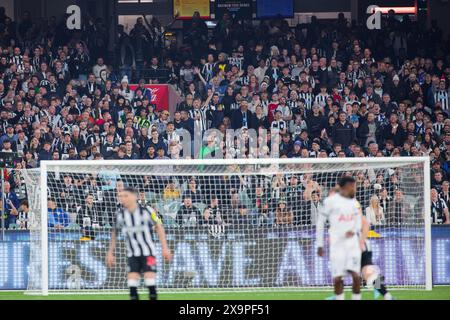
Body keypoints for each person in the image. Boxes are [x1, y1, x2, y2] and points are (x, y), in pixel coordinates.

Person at [106, 187, 172, 300]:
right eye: (121, 196)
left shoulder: (147, 211)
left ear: (134, 197)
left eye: (125, 196)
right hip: (132, 254)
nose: (122, 199)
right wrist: (110, 252)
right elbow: (114, 233)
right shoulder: (120, 215)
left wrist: (165, 248)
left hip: (149, 252)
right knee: (132, 286)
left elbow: (159, 227)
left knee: (150, 281)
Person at [316, 176, 364, 300]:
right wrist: (320, 244)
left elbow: (358, 222)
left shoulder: (354, 203)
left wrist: (353, 231)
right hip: (337, 245)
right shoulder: (330, 201)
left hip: (352, 244)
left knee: (356, 276)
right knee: (338, 279)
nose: (355, 189)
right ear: (344, 187)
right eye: (352, 186)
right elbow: (321, 222)